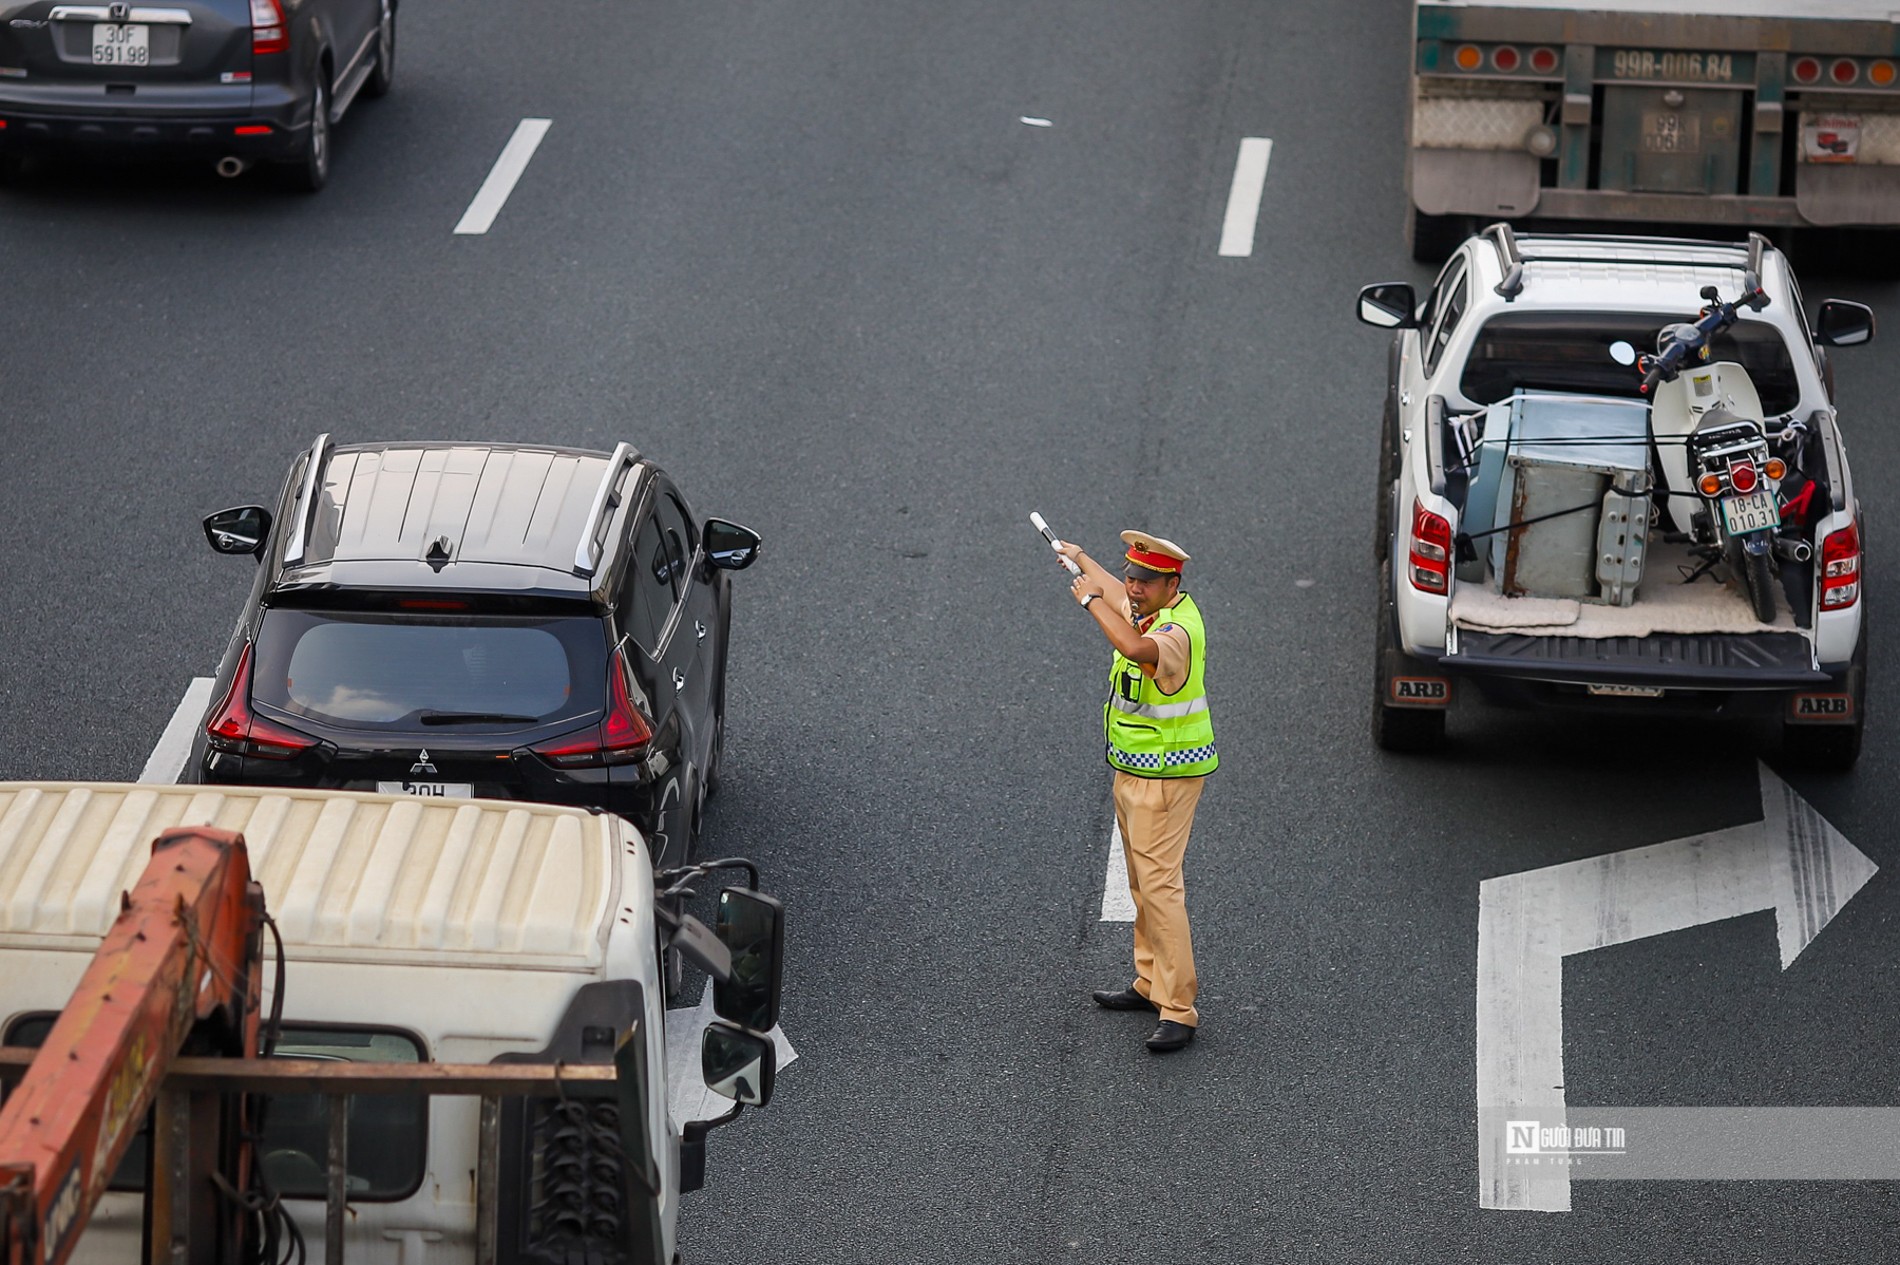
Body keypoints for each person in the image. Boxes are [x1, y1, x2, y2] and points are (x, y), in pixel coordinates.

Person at [1055, 530, 1216, 1054]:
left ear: (1173, 583)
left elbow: (1131, 645)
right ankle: (1151, 983)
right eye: (1131, 577)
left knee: (1161, 889)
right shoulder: (1149, 604)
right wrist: (1079, 558)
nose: (1133, 588)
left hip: (1165, 776)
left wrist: (1089, 601)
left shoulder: (1176, 632)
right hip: (1137, 769)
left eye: (1145, 582)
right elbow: (1116, 594)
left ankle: (1179, 1009)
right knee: (1143, 885)